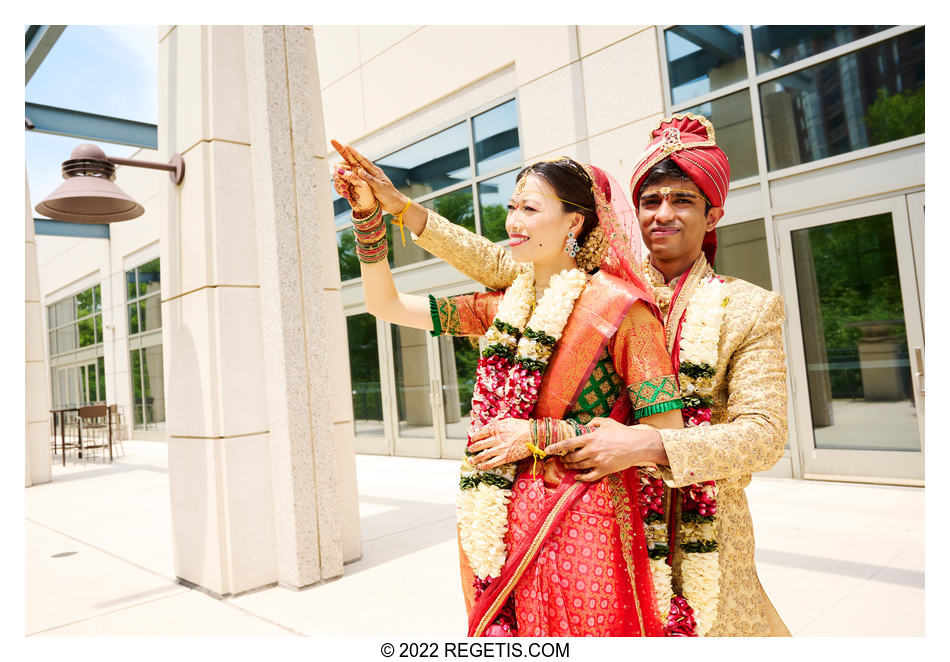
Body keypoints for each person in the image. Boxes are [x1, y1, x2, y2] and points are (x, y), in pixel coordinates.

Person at [341, 114, 791, 637]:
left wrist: (647, 445)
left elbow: (764, 434)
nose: (663, 214)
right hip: (585, 511)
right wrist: (394, 211)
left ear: (712, 214)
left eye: (682, 200)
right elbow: (499, 258)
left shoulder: (748, 309)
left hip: (700, 521)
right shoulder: (600, 284)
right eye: (650, 200)